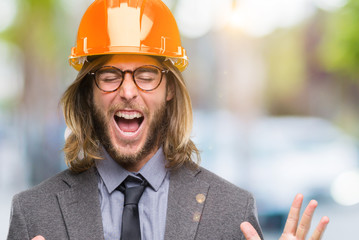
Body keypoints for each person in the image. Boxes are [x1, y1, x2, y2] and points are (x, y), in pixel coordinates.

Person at [7, 0, 329, 239]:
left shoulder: (232, 211)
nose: (128, 91)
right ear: (88, 91)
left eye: (146, 74)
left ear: (170, 90)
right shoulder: (34, 214)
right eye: (109, 75)